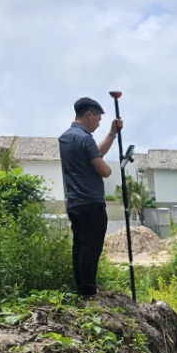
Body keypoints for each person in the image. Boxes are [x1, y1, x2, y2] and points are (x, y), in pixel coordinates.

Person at [58, 97, 122, 297]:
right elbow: (103, 169)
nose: (99, 122)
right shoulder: (85, 138)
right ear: (88, 115)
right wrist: (110, 169)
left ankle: (83, 288)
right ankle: (88, 291)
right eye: (98, 118)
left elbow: (95, 154)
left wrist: (112, 134)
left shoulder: (66, 138)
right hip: (91, 203)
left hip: (75, 203)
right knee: (91, 248)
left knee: (80, 246)